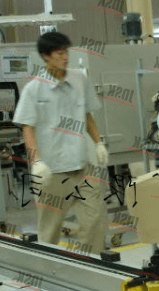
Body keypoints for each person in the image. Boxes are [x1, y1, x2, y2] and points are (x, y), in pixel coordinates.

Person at [13, 32, 107, 254]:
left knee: (94, 222)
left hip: (83, 166)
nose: (65, 57)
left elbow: (87, 115)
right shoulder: (34, 89)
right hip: (52, 172)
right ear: (46, 56)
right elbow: (27, 127)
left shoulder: (79, 80)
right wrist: (37, 162)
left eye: (66, 51)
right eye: (59, 53)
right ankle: (49, 271)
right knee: (50, 230)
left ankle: (92, 268)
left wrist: (98, 142)